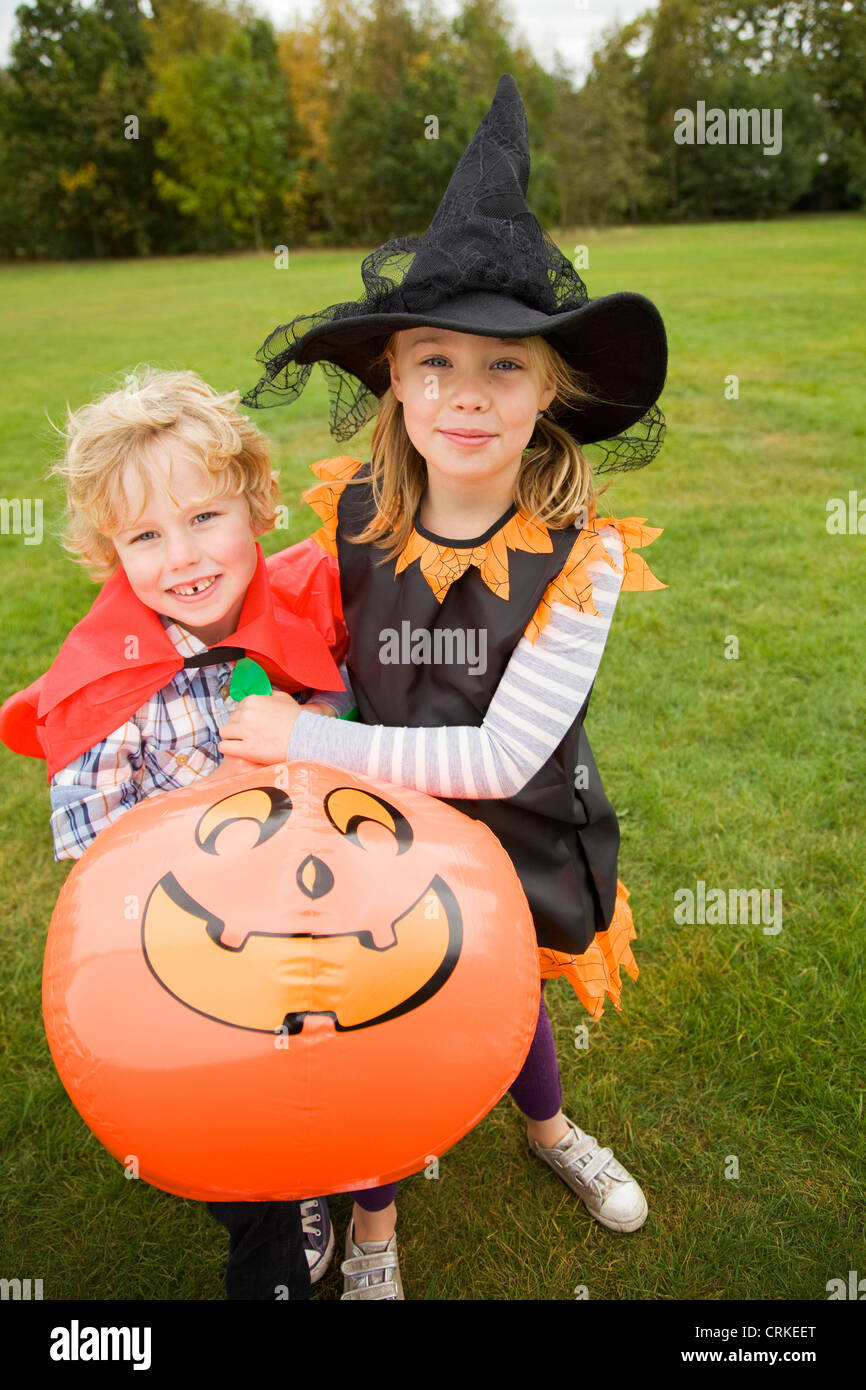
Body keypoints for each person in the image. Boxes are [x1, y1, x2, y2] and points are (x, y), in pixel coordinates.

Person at [219, 73, 669, 1300]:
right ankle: (372, 1224)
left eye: (503, 367)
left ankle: (545, 1129)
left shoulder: (586, 549)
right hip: (376, 823)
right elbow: (294, 638)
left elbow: (499, 758)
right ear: (396, 385)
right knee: (365, 1003)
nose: (467, 392)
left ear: (549, 391)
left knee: (506, 977)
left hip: (513, 820)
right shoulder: (353, 509)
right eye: (436, 361)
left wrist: (309, 748)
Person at [0, 365, 355, 1299]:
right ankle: (270, 1226)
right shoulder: (102, 693)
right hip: (183, 945)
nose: (184, 556)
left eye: (205, 518)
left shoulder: (298, 609)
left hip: (312, 913)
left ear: (255, 509)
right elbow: (105, 884)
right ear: (110, 551)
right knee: (248, 1140)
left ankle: (339, 1151)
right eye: (147, 536)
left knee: (340, 1048)